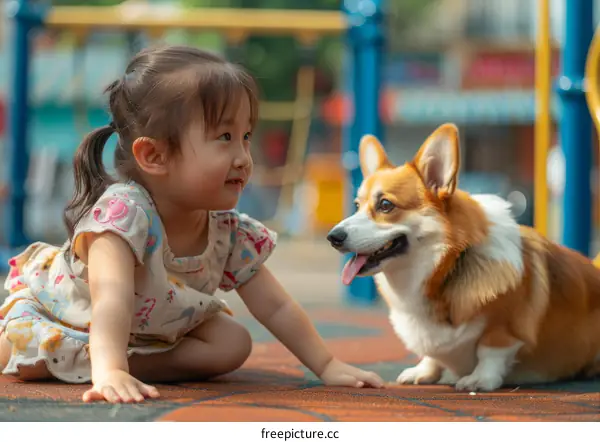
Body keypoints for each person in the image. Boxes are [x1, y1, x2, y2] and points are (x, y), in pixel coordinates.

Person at [0, 45, 384, 403]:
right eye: (225, 137)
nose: (243, 157)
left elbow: (278, 308)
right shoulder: (121, 217)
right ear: (154, 155)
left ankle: (103, 364)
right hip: (66, 315)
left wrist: (327, 364)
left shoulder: (228, 230)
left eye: (246, 137)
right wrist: (109, 370)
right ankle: (96, 363)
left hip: (147, 328)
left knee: (233, 343)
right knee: (18, 354)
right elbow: (110, 301)